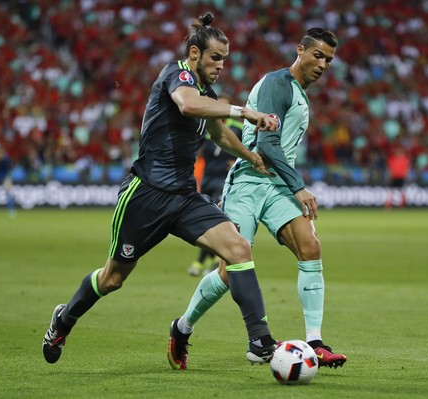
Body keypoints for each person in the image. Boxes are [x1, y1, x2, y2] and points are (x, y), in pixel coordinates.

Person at [42, 13, 280, 368]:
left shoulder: (208, 95)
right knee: (112, 279)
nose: (220, 66)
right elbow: (186, 104)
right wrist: (241, 111)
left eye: (224, 61)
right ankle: (64, 320)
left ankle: (260, 341)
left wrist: (251, 156)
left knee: (238, 247)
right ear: (195, 53)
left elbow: (217, 134)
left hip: (185, 196)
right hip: (146, 194)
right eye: (215, 58)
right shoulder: (177, 73)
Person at [169, 27, 347, 370]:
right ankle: (182, 327)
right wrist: (299, 185)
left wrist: (290, 183)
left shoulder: (298, 91)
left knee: (311, 247)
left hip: (277, 185)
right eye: (318, 55)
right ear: (300, 50)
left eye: (328, 59)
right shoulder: (277, 84)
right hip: (249, 183)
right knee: (228, 271)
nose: (323, 64)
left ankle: (315, 342)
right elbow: (266, 144)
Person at [187, 94, 243, 277]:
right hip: (208, 178)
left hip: (225, 180)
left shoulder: (238, 129)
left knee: (216, 218)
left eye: (224, 106)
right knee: (205, 220)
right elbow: (195, 147)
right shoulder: (207, 128)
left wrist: (237, 161)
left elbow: (248, 150)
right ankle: (211, 259)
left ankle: (201, 261)